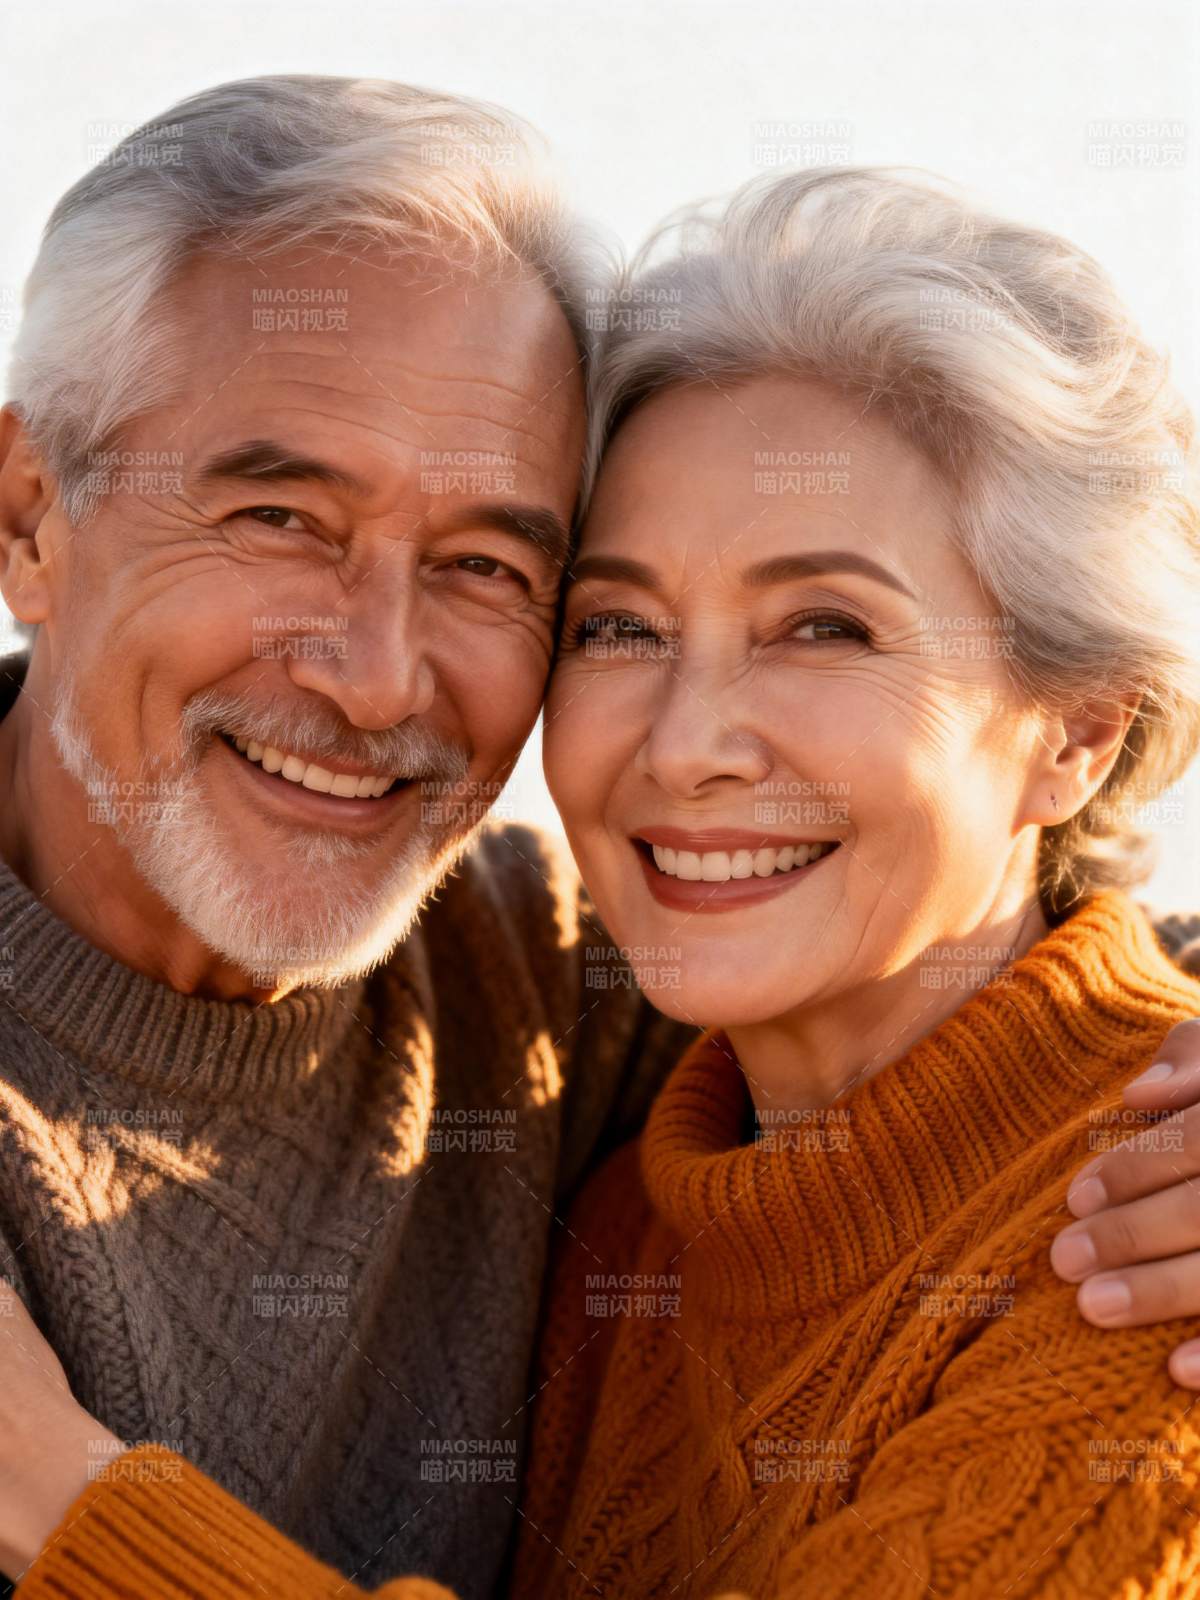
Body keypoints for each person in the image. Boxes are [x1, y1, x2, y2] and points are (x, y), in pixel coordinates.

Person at [13, 163, 1200, 1600]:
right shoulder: (625, 1197)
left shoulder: (1146, 1255)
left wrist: (72, 1506)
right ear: (31, 522)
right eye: (621, 625)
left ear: (1080, 731)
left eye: (824, 627)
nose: (686, 745)